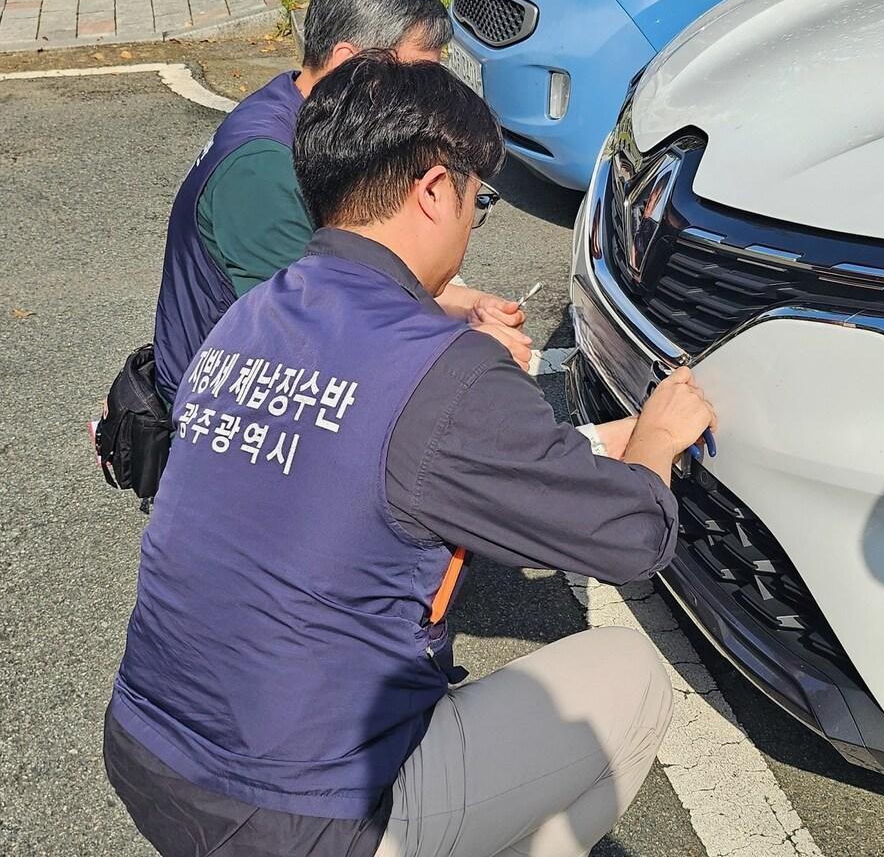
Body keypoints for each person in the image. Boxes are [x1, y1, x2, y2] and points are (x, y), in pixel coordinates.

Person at [103, 51, 717, 857]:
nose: (473, 221)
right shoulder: (445, 371)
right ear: (433, 190)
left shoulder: (247, 317)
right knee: (629, 676)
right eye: (479, 201)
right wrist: (660, 436)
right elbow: (632, 536)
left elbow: (371, 465)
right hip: (297, 815)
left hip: (146, 750)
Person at [151, 0, 525, 403]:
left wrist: (464, 306)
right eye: (411, 78)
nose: (426, 101)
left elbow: (355, 285)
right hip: (220, 410)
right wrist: (465, 353)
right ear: (350, 64)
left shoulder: (302, 109)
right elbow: (318, 337)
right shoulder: (267, 167)